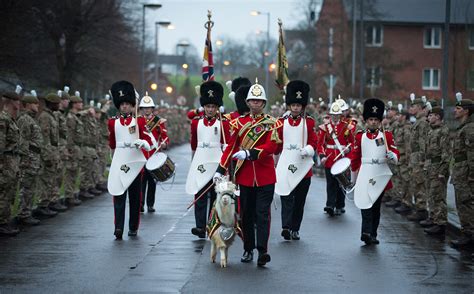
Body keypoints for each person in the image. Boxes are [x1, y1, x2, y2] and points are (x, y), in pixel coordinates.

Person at [215, 79, 282, 267]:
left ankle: (262, 250)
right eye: (252, 100)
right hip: (244, 177)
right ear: (247, 102)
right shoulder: (238, 123)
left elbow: (272, 147)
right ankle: (248, 248)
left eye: (259, 101)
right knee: (247, 215)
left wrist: (250, 153)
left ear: (264, 103)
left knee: (262, 214)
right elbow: (230, 147)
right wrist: (220, 169)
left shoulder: (272, 123)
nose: (255, 104)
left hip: (265, 176)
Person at [350, 98, 399, 245]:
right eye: (370, 119)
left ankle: (373, 233)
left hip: (380, 172)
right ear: (366, 120)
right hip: (365, 172)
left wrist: (393, 156)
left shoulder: (386, 136)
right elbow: (355, 158)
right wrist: (353, 178)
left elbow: (395, 152)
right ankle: (365, 232)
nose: (373, 122)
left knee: (375, 205)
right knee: (365, 202)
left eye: (376, 120)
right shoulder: (360, 136)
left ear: (380, 121)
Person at [107, 80, 153, 239]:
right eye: (122, 104)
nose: (124, 106)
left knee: (135, 197)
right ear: (118, 106)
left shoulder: (139, 120)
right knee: (118, 195)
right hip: (120, 159)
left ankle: (133, 226)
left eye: (127, 103)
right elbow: (112, 143)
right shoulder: (112, 122)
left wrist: (144, 143)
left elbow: (149, 141)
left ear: (132, 105)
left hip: (134, 162)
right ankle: (118, 227)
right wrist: (112, 162)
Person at [186, 81, 230, 238]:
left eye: (213, 106)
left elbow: (228, 142)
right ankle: (200, 226)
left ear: (217, 107)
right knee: (199, 194)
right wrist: (193, 161)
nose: (210, 109)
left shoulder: (224, 122)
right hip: (200, 159)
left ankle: (213, 225)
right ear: (203, 107)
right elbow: (193, 144)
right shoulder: (196, 122)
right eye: (208, 106)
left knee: (216, 196)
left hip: (217, 161)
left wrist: (226, 150)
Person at [275, 80, 317, 241]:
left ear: (302, 106)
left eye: (298, 105)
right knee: (286, 195)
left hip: (303, 166)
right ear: (289, 105)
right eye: (293, 105)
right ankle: (286, 226)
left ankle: (295, 228)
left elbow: (314, 141)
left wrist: (309, 149)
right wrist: (274, 161)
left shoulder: (309, 122)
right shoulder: (281, 122)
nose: (295, 108)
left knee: (299, 200)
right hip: (286, 162)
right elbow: (277, 144)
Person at [316, 101, 354, 216]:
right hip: (330, 158)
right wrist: (322, 156)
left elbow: (352, 143)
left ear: (341, 115)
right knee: (331, 183)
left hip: (342, 158)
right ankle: (330, 204)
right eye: (333, 115)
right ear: (330, 115)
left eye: (337, 115)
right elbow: (320, 144)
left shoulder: (347, 126)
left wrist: (349, 149)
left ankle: (340, 205)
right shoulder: (325, 127)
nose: (335, 117)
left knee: (341, 183)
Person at [450, 92, 474, 248]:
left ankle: (470, 235)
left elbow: (472, 154)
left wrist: (472, 175)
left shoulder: (470, 129)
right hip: (460, 172)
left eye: (458, 109)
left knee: (466, 203)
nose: (455, 111)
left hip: (466, 173)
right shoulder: (463, 127)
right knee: (461, 203)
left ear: (466, 111)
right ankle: (467, 233)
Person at [37, 92, 67, 214]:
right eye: (57, 103)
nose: (59, 105)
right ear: (52, 104)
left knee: (52, 179)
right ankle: (43, 206)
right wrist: (48, 156)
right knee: (46, 179)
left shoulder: (52, 115)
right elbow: (45, 138)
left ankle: (48, 203)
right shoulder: (45, 117)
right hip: (48, 153)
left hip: (53, 151)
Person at [17, 90, 43, 225]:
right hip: (29, 157)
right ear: (27, 104)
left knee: (32, 186)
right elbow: (23, 141)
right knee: (26, 186)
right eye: (34, 103)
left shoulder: (32, 119)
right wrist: (24, 158)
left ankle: (27, 212)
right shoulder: (24, 120)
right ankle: (23, 214)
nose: (38, 105)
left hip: (35, 157)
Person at [139, 92, 168, 213]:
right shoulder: (138, 121)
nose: (147, 110)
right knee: (141, 182)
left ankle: (150, 204)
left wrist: (164, 143)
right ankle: (140, 204)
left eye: (149, 107)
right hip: (141, 155)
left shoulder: (158, 121)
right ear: (141, 109)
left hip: (153, 155)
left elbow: (165, 137)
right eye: (145, 108)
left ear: (152, 108)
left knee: (152, 182)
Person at [423, 104, 450, 235]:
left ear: (438, 117)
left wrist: (442, 171)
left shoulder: (443, 131)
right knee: (432, 195)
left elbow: (446, 153)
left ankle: (440, 224)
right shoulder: (431, 130)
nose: (429, 117)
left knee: (439, 196)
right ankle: (434, 219)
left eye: (431, 115)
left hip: (438, 167)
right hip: (430, 167)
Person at [0, 86, 22, 236]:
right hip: (6, 161)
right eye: (17, 101)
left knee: (8, 192)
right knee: (3, 193)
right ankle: (2, 223)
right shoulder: (3, 119)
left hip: (12, 161)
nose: (19, 104)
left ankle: (5, 221)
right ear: (11, 102)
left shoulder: (11, 119)